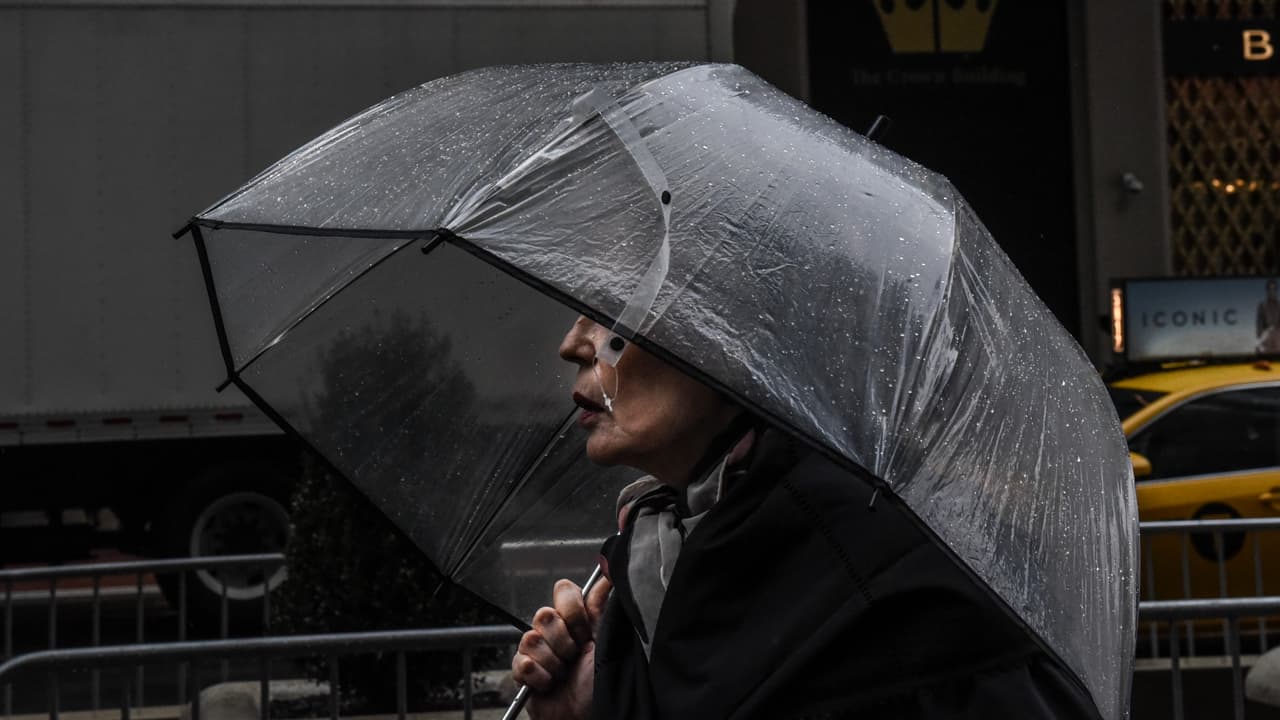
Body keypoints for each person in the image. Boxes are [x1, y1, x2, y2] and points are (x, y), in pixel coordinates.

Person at [511, 316, 1098, 720]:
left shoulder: (880, 554)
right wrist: (594, 702)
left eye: (612, 308)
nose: (574, 342)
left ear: (730, 336)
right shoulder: (669, 545)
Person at [1258, 279, 1280, 354]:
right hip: (1266, 335)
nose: (1272, 291)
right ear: (1267, 291)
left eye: (1274, 289)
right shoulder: (1262, 306)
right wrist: (1261, 336)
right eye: (1270, 289)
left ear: (1276, 290)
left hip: (1278, 334)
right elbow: (1259, 324)